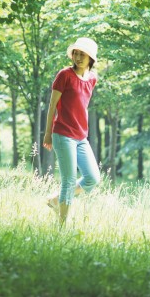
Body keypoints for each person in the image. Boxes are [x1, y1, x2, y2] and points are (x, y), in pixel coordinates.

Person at [43, 37, 100, 225]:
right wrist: (48, 133)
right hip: (63, 134)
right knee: (68, 180)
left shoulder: (92, 78)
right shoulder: (64, 75)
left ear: (90, 57)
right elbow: (52, 106)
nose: (78, 57)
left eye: (82, 54)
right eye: (76, 53)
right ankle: (61, 227)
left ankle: (54, 200)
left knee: (92, 177)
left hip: (81, 136)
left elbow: (81, 106)